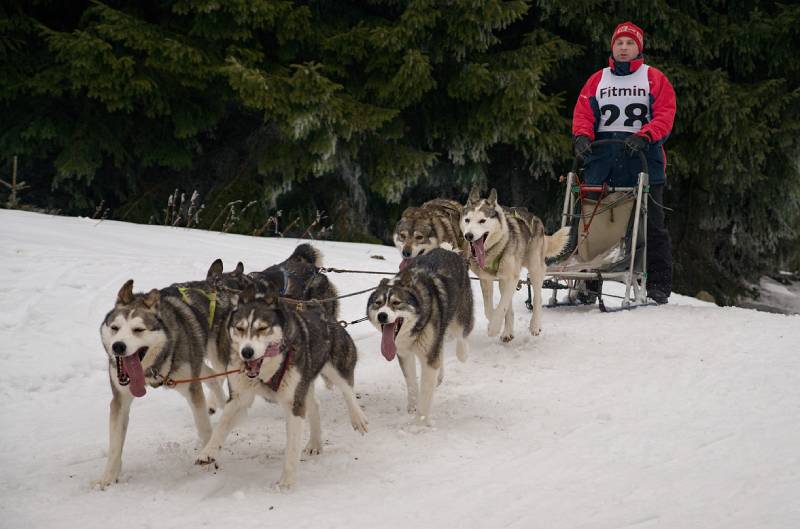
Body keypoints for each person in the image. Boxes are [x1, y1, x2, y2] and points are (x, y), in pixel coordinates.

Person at [572, 21, 676, 304]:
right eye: (619, 43)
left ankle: (658, 284)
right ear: (612, 47)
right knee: (594, 223)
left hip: (643, 159)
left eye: (630, 43)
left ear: (638, 48)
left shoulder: (653, 78)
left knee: (651, 225)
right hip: (603, 159)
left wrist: (647, 135)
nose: (624, 47)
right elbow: (584, 113)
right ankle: (588, 283)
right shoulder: (598, 80)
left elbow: (665, 115)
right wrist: (581, 137)